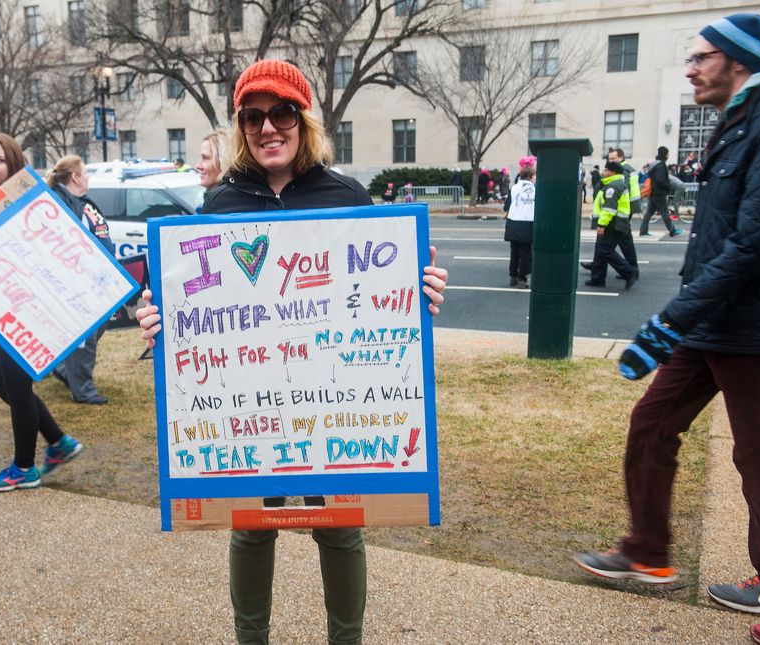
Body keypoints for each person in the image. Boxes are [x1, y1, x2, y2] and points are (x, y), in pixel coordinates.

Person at [135, 59, 448, 645]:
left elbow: (384, 292)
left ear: (304, 120)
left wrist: (420, 293)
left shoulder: (347, 196)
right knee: (252, 527)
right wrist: (159, 319)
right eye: (252, 117)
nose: (267, 127)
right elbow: (193, 302)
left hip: (336, 393)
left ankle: (345, 639)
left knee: (340, 527)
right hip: (248, 402)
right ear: (240, 129)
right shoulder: (222, 204)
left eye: (282, 112)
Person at [571, 15, 760, 644]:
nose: (690, 68)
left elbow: (751, 244)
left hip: (751, 329)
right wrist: (683, 318)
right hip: (708, 323)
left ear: (736, 62)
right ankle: (646, 550)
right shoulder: (740, 122)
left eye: (700, 57)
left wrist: (671, 319)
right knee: (652, 425)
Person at [0, 133, 85, 491]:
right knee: (0, 383)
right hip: (0, 306)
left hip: (27, 307)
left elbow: (36, 247)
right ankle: (58, 441)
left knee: (17, 388)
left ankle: (23, 468)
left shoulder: (30, 195)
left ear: (13, 162)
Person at [47, 155, 114, 406]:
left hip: (99, 280)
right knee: (84, 336)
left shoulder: (77, 201)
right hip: (80, 282)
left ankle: (65, 369)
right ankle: (83, 389)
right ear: (74, 176)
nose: (87, 177)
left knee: (95, 330)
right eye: (84, 172)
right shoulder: (58, 202)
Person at [582, 160, 638, 289]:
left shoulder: (612, 187)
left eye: (606, 170)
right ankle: (597, 279)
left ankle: (629, 272)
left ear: (613, 172)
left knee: (604, 250)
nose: (604, 172)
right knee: (600, 250)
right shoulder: (616, 184)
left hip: (612, 224)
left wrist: (602, 224)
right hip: (616, 223)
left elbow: (609, 209)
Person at [502, 157, 536, 288]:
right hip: (527, 223)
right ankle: (522, 278)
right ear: (531, 176)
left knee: (514, 252)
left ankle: (513, 276)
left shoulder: (515, 188)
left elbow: (507, 207)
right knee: (525, 253)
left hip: (513, 222)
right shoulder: (535, 189)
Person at [606, 149, 639, 268]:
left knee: (621, 239)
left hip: (622, 209)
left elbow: (622, 190)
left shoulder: (623, 170)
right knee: (617, 239)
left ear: (621, 157)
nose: (610, 161)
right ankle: (598, 264)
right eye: (609, 158)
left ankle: (631, 268)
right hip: (626, 208)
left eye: (613, 159)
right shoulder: (629, 168)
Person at [640, 146, 681, 237]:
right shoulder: (661, 165)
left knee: (649, 213)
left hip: (653, 192)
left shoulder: (654, 164)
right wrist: (668, 187)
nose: (668, 156)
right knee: (665, 212)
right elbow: (660, 180)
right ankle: (672, 231)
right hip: (660, 193)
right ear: (665, 154)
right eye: (667, 154)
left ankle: (643, 231)